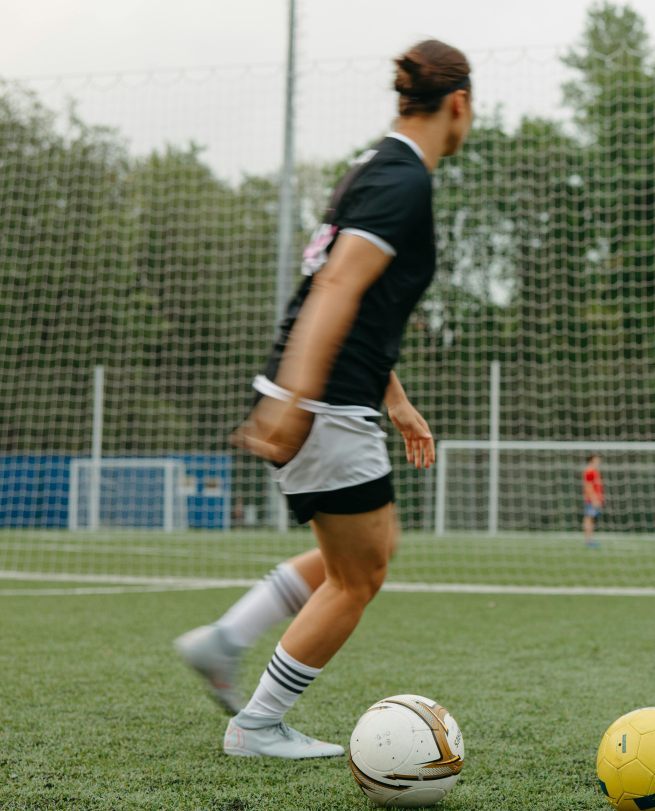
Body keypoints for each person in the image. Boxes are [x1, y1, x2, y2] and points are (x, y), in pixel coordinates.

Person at [173, 40, 474, 760]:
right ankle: (257, 724)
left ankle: (226, 640)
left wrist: (394, 401)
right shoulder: (404, 184)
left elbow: (357, 299)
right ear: (458, 104)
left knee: (360, 553)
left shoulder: (373, 170)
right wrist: (298, 399)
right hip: (326, 402)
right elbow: (335, 290)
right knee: (359, 574)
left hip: (331, 393)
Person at [582, 453, 603, 549]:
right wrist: (594, 499)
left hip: (593, 499)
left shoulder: (594, 471)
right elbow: (588, 486)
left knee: (590, 519)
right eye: (597, 459)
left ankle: (590, 540)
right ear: (592, 460)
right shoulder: (590, 471)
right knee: (589, 519)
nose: (599, 461)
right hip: (591, 500)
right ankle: (589, 541)